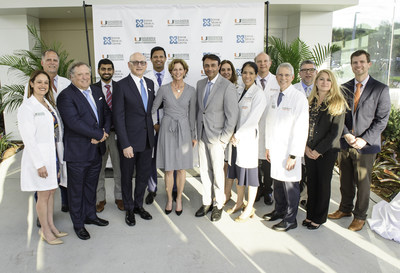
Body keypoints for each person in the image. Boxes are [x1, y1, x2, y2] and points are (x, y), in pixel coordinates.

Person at [328, 50, 391, 231]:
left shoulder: (380, 89)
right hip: (346, 142)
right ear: (351, 65)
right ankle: (345, 209)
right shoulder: (345, 87)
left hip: (366, 146)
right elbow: (339, 114)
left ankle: (360, 216)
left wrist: (364, 139)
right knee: (345, 180)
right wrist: (346, 134)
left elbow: (382, 120)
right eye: (355, 62)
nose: (358, 65)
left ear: (369, 64)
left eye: (362, 62)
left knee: (363, 183)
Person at [57, 62, 112, 240]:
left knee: (91, 187)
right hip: (78, 152)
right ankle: (78, 224)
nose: (85, 77)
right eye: (80, 74)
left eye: (87, 74)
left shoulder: (96, 91)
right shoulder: (66, 96)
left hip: (96, 150)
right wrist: (97, 134)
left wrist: (102, 134)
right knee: (77, 190)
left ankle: (90, 216)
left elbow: (106, 113)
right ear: (72, 77)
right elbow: (73, 122)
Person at [18, 70, 68, 245]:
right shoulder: (27, 107)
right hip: (39, 158)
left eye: (46, 83)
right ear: (31, 84)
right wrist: (39, 164)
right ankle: (45, 231)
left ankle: (51, 226)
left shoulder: (47, 103)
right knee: (43, 194)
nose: (43, 86)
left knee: (52, 191)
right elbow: (29, 139)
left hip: (53, 155)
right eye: (39, 82)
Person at [262, 63, 309, 232]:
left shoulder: (298, 98)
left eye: (286, 75)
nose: (283, 78)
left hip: (289, 152)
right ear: (276, 77)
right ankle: (279, 210)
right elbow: (269, 123)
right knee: (278, 183)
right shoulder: (275, 97)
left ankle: (290, 219)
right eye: (280, 75)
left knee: (290, 186)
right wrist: (267, 147)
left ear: (293, 77)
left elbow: (301, 128)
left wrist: (294, 155)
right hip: (275, 149)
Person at [24, 49, 70, 215]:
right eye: (49, 60)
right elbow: (29, 119)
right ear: (42, 62)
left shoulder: (65, 82)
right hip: (43, 142)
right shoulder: (31, 94)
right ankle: (42, 216)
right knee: (43, 185)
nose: (52, 63)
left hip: (62, 137)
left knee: (62, 172)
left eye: (55, 60)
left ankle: (66, 204)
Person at [195, 54, 239, 222]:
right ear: (203, 67)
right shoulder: (200, 84)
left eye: (213, 65)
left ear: (219, 66)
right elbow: (200, 111)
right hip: (202, 135)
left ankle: (218, 204)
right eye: (207, 65)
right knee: (204, 171)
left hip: (217, 138)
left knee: (218, 173)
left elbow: (232, 115)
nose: (210, 68)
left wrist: (223, 140)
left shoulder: (227, 86)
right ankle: (206, 202)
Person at [113, 52, 155, 226]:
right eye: (136, 62)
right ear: (129, 65)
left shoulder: (150, 84)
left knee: (143, 176)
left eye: (143, 62)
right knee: (127, 176)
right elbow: (118, 117)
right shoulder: (121, 86)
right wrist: (125, 144)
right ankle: (129, 208)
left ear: (146, 65)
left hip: (147, 140)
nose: (139, 65)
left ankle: (138, 205)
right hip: (129, 142)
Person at [303, 70, 347, 230]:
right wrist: (306, 147)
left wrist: (318, 151)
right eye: (321, 79)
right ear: (316, 82)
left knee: (323, 184)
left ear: (332, 83)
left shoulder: (337, 102)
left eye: (328, 80)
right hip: (308, 149)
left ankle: (319, 218)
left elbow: (335, 133)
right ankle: (310, 215)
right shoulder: (311, 101)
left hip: (326, 152)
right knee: (312, 184)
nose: (324, 82)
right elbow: (305, 126)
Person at [152, 59, 197, 215]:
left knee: (181, 168)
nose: (178, 72)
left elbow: (192, 115)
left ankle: (179, 198)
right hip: (167, 129)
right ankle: (170, 199)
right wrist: (154, 125)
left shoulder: (191, 90)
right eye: (175, 69)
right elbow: (153, 108)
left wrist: (193, 135)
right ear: (170, 72)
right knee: (169, 169)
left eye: (180, 69)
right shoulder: (164, 89)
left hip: (184, 130)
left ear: (185, 71)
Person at [226, 61, 266, 222]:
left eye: (251, 73)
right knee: (237, 174)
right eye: (244, 73)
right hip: (235, 140)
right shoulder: (239, 90)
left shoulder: (258, 94)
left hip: (246, 140)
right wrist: (231, 133)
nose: (247, 76)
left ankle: (249, 208)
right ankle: (238, 203)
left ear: (256, 75)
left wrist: (238, 135)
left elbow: (253, 119)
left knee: (250, 177)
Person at [144, 46, 174, 205]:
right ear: (151, 59)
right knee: (151, 158)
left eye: (161, 56)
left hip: (171, 124)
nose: (158, 59)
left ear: (165, 57)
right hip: (151, 124)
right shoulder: (146, 77)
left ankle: (174, 189)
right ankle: (152, 189)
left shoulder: (173, 76)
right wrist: (154, 123)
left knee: (172, 158)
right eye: (155, 57)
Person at [93, 58, 123, 212]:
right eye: (103, 69)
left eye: (109, 69)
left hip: (117, 134)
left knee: (119, 168)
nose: (106, 72)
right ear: (99, 71)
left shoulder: (120, 87)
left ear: (113, 70)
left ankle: (119, 197)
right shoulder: (91, 88)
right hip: (99, 136)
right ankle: (100, 199)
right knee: (100, 169)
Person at [253, 52, 280, 206]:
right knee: (255, 162)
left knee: (269, 162)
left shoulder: (277, 81)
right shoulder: (249, 81)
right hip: (254, 129)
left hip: (271, 129)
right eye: (259, 61)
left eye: (265, 61)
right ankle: (258, 188)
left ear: (270, 63)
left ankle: (269, 189)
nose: (262, 64)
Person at [219, 60, 243, 203]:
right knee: (221, 165)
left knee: (230, 165)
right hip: (218, 131)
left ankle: (229, 194)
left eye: (229, 70)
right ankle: (222, 192)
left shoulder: (238, 88)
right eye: (223, 70)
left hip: (234, 133)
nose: (226, 72)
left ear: (233, 72)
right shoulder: (216, 87)